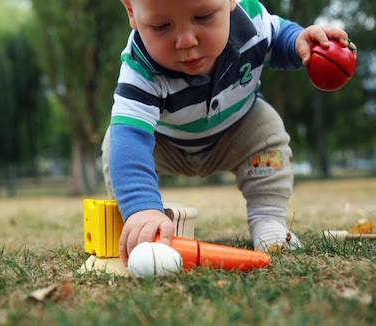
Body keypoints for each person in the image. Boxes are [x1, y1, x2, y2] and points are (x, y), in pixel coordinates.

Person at [101, 0, 350, 265]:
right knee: (117, 144)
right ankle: (141, 222)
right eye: (161, 26)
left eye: (204, 16)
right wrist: (144, 208)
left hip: (239, 132)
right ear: (132, 12)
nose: (186, 40)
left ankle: (269, 220)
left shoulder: (252, 22)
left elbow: (278, 38)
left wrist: (301, 40)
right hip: (164, 146)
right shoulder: (140, 68)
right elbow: (130, 140)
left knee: (267, 131)